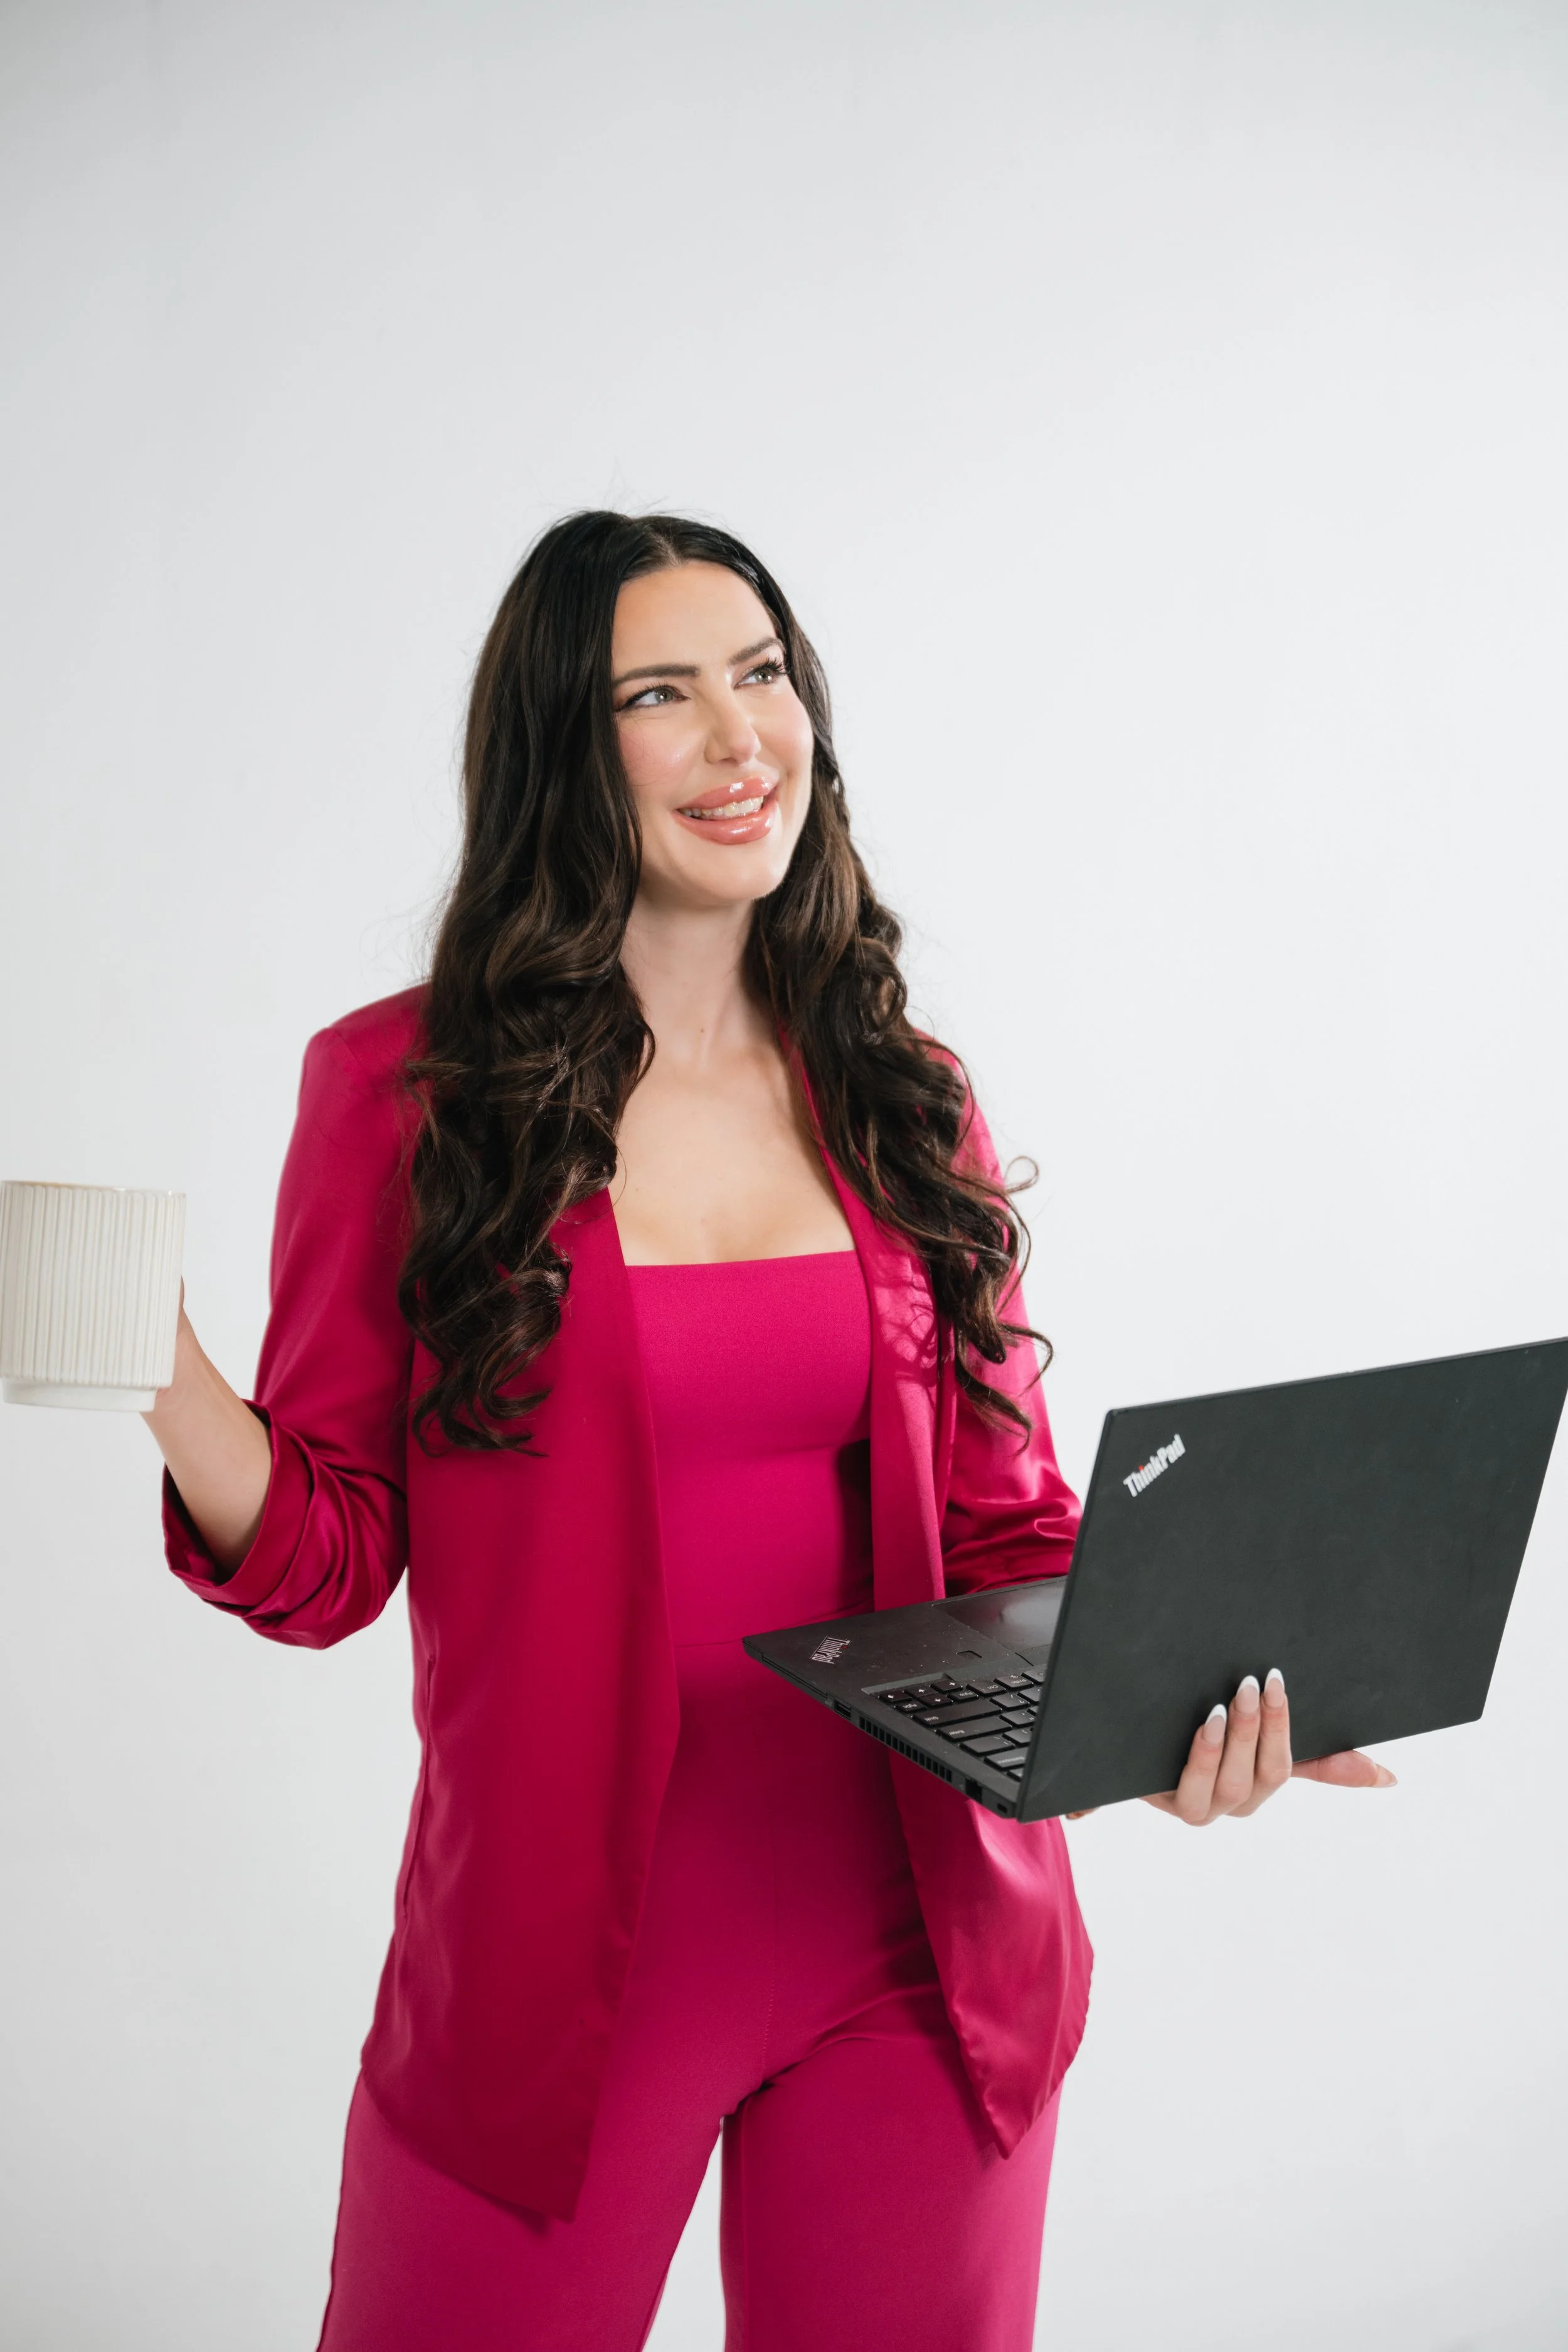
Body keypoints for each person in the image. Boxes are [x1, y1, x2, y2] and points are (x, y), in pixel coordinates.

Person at [144, 512, 1392, 2352]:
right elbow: (331, 1559)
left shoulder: (902, 1093)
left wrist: (1167, 1705)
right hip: (557, 1975)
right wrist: (150, 1362)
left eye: (763, 675)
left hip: (925, 1952)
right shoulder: (407, 1095)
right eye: (662, 693)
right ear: (564, 747)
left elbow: (1005, 1530)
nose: (742, 739)